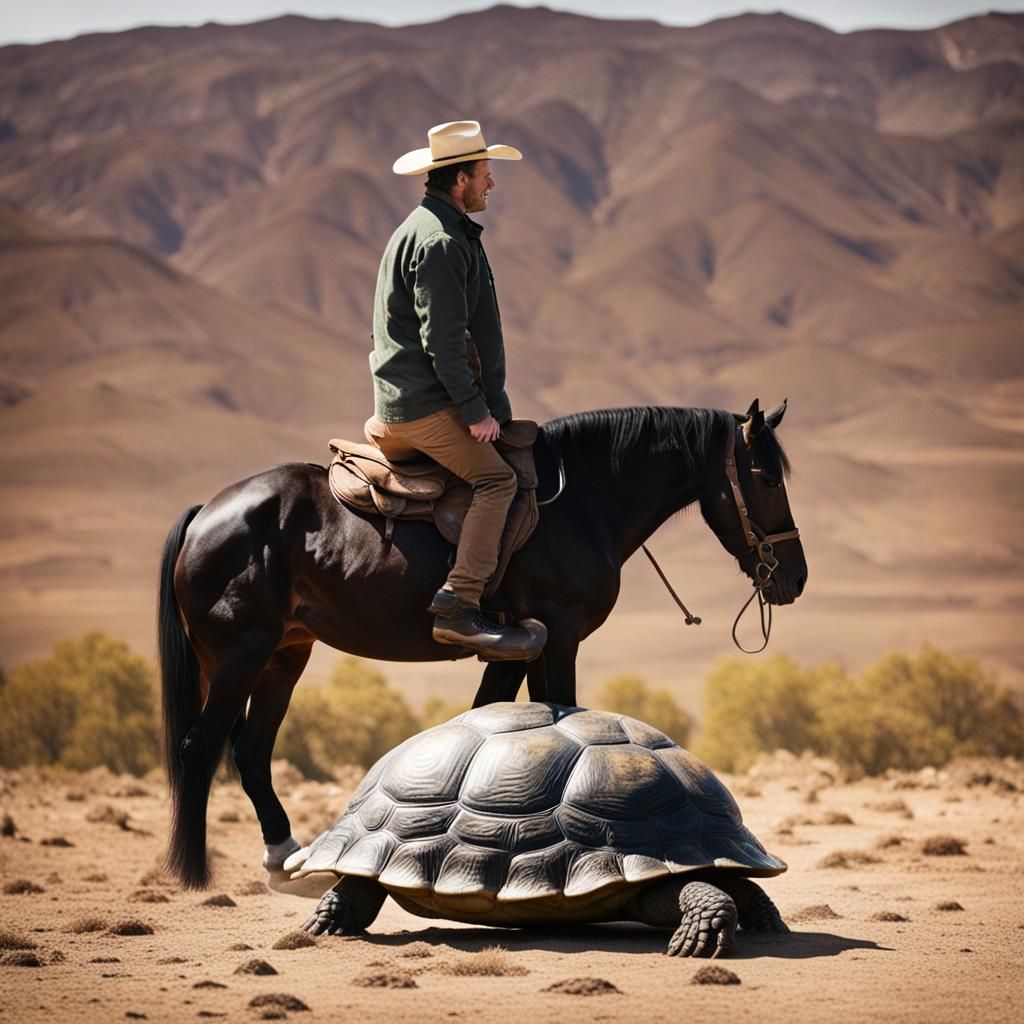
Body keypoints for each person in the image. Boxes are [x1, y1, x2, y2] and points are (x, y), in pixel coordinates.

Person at [366, 120, 543, 661]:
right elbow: (442, 341)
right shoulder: (440, 241)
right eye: (486, 175)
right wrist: (474, 412)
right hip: (423, 407)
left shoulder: (437, 228)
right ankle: (459, 607)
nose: (492, 185)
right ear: (461, 178)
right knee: (497, 480)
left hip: (418, 397)